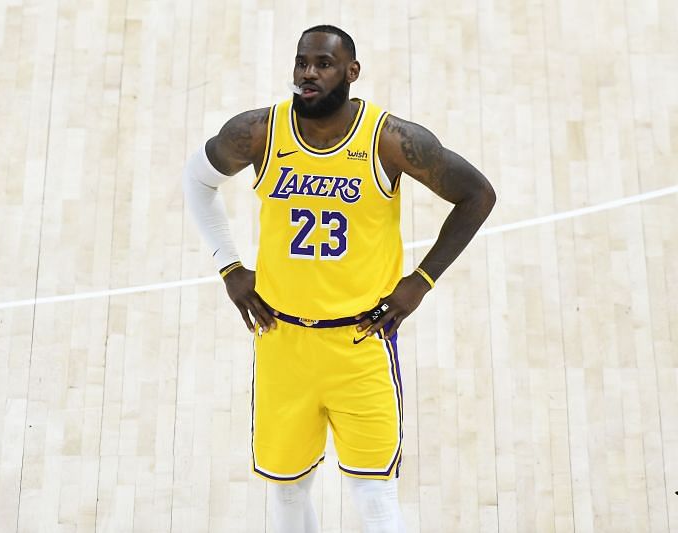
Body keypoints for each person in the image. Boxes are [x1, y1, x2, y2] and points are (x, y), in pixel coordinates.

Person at [183, 24, 495, 533]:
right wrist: (229, 265)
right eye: (302, 62)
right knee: (286, 493)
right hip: (282, 342)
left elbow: (477, 195)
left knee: (375, 497)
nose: (309, 73)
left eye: (323, 64)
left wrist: (421, 280)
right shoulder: (259, 132)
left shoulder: (391, 140)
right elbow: (196, 181)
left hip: (360, 344)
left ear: (351, 72)